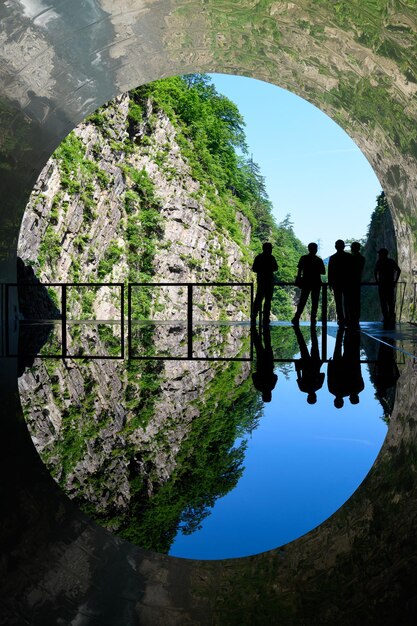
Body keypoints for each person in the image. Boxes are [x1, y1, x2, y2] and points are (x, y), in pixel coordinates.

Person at [291, 242, 326, 326]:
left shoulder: (303, 258)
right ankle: (313, 319)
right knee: (315, 301)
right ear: (316, 250)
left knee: (303, 300)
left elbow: (299, 271)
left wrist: (298, 280)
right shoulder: (318, 260)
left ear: (308, 248)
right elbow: (323, 272)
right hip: (316, 282)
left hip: (306, 282)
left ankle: (297, 317)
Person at [293, 325, 324, 404]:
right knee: (302, 345)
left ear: (315, 397)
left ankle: (313, 327)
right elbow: (299, 375)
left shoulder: (319, 386)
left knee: (315, 344)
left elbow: (322, 374)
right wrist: (297, 364)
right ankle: (297, 329)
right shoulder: (303, 388)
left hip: (315, 363)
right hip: (305, 364)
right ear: (308, 397)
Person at [328, 239, 354, 328]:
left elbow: (330, 272)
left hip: (336, 283)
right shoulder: (349, 257)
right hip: (347, 282)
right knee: (347, 301)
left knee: (338, 302)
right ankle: (348, 318)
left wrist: (330, 282)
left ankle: (341, 319)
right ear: (343, 246)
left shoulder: (333, 258)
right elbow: (352, 271)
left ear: (336, 247)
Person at [251, 242, 278, 324]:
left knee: (258, 299)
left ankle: (254, 315)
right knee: (267, 300)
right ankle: (265, 317)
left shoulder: (258, 257)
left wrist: (261, 269)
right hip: (269, 280)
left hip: (261, 280)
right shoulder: (271, 258)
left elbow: (254, 269)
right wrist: (268, 269)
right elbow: (276, 268)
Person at [374, 248, 401, 328]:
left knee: (383, 302)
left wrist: (377, 281)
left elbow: (375, 272)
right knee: (390, 301)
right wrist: (395, 281)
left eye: (379, 254)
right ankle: (391, 317)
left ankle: (386, 317)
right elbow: (398, 270)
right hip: (390, 284)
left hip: (382, 284)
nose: (379, 255)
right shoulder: (391, 261)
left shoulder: (379, 262)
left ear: (382, 254)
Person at [251, 324, 278, 402]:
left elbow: (275, 376)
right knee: (258, 345)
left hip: (269, 364)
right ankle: (253, 329)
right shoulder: (259, 387)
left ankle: (265, 326)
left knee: (268, 344)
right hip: (260, 364)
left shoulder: (271, 386)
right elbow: (254, 375)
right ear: (263, 396)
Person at [350, 241, 365, 327]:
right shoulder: (362, 258)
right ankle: (356, 317)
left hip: (351, 282)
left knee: (351, 301)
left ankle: (352, 317)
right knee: (357, 300)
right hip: (358, 281)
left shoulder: (351, 258)